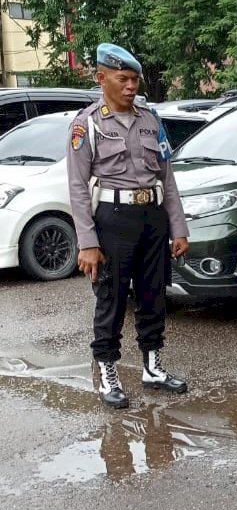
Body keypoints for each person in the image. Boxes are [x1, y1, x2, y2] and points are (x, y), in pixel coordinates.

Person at [67, 43, 190, 409]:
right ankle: (108, 372)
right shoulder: (86, 124)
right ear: (101, 78)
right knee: (112, 298)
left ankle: (153, 367)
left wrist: (178, 227)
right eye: (122, 78)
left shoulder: (151, 120)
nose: (131, 86)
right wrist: (87, 242)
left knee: (153, 295)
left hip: (152, 219)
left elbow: (167, 178)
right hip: (113, 220)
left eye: (134, 79)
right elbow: (76, 186)